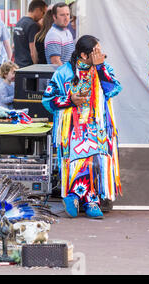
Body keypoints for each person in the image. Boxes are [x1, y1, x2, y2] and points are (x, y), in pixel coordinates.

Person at [42, 35, 122, 219]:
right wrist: (70, 100)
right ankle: (85, 198)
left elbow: (114, 89)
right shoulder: (64, 73)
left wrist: (100, 68)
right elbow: (48, 100)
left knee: (97, 158)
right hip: (73, 128)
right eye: (97, 51)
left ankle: (80, 197)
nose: (101, 54)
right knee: (80, 158)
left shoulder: (103, 69)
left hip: (98, 126)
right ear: (85, 55)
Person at [12, 0, 47, 67]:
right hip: (28, 66)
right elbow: (33, 51)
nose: (43, 16)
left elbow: (14, 45)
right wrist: (36, 66)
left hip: (18, 64)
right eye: (43, 13)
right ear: (37, 10)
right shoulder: (33, 25)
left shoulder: (19, 22)